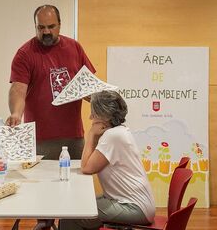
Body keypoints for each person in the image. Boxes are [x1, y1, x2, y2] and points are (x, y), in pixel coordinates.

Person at [7, 4, 95, 160]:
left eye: (51, 26)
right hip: (40, 139)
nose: (46, 31)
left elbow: (88, 84)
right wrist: (16, 113)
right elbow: (18, 89)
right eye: (40, 27)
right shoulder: (25, 53)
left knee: (75, 182)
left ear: (60, 25)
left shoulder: (74, 48)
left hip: (73, 137)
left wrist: (99, 100)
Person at [59, 90, 156, 230]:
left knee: (73, 213)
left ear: (103, 116)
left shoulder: (113, 136)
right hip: (133, 203)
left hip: (134, 207)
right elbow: (91, 160)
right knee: (76, 205)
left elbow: (86, 168)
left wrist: (91, 134)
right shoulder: (118, 132)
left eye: (94, 113)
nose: (90, 116)